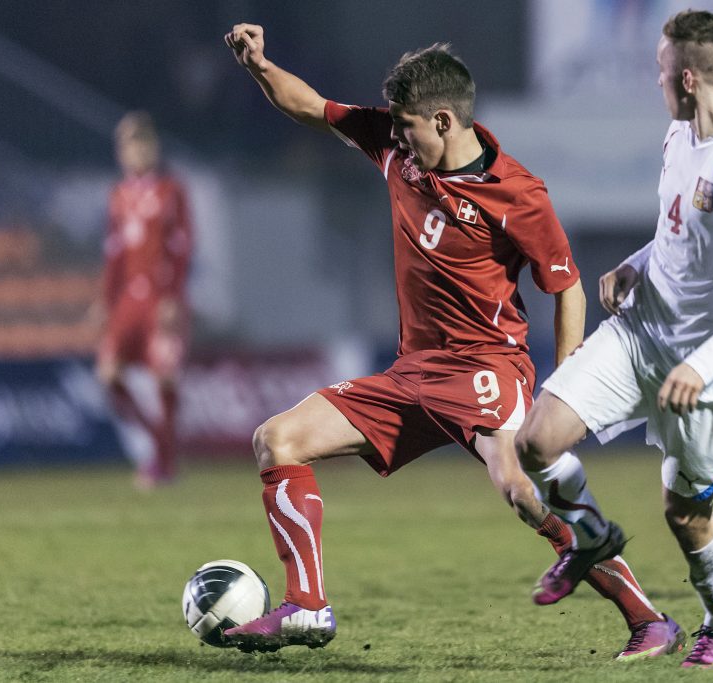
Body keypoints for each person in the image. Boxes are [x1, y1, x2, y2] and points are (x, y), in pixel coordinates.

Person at [220, 24, 669, 654]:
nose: (396, 136)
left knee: (522, 492)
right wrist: (259, 65)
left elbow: (564, 287)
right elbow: (310, 107)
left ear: (443, 120)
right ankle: (306, 607)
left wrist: (565, 386)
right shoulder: (395, 149)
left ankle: (648, 620)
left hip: (487, 371)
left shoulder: (518, 195)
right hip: (413, 373)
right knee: (277, 439)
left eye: (407, 126)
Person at [515, 9, 713, 669]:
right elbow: (679, 236)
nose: (656, 82)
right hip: (641, 333)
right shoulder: (680, 135)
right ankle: (588, 536)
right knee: (535, 440)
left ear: (691, 78)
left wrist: (701, 365)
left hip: (708, 368)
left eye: (661, 71)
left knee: (683, 512)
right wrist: (634, 266)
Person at [93, 111, 193, 489]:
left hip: (160, 298)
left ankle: (162, 464)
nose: (136, 152)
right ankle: (159, 447)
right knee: (108, 374)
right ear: (121, 152)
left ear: (154, 147)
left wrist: (173, 295)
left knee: (165, 377)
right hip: (127, 301)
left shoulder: (171, 191)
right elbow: (113, 253)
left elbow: (182, 247)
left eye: (142, 143)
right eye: (129, 145)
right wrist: (105, 299)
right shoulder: (118, 196)